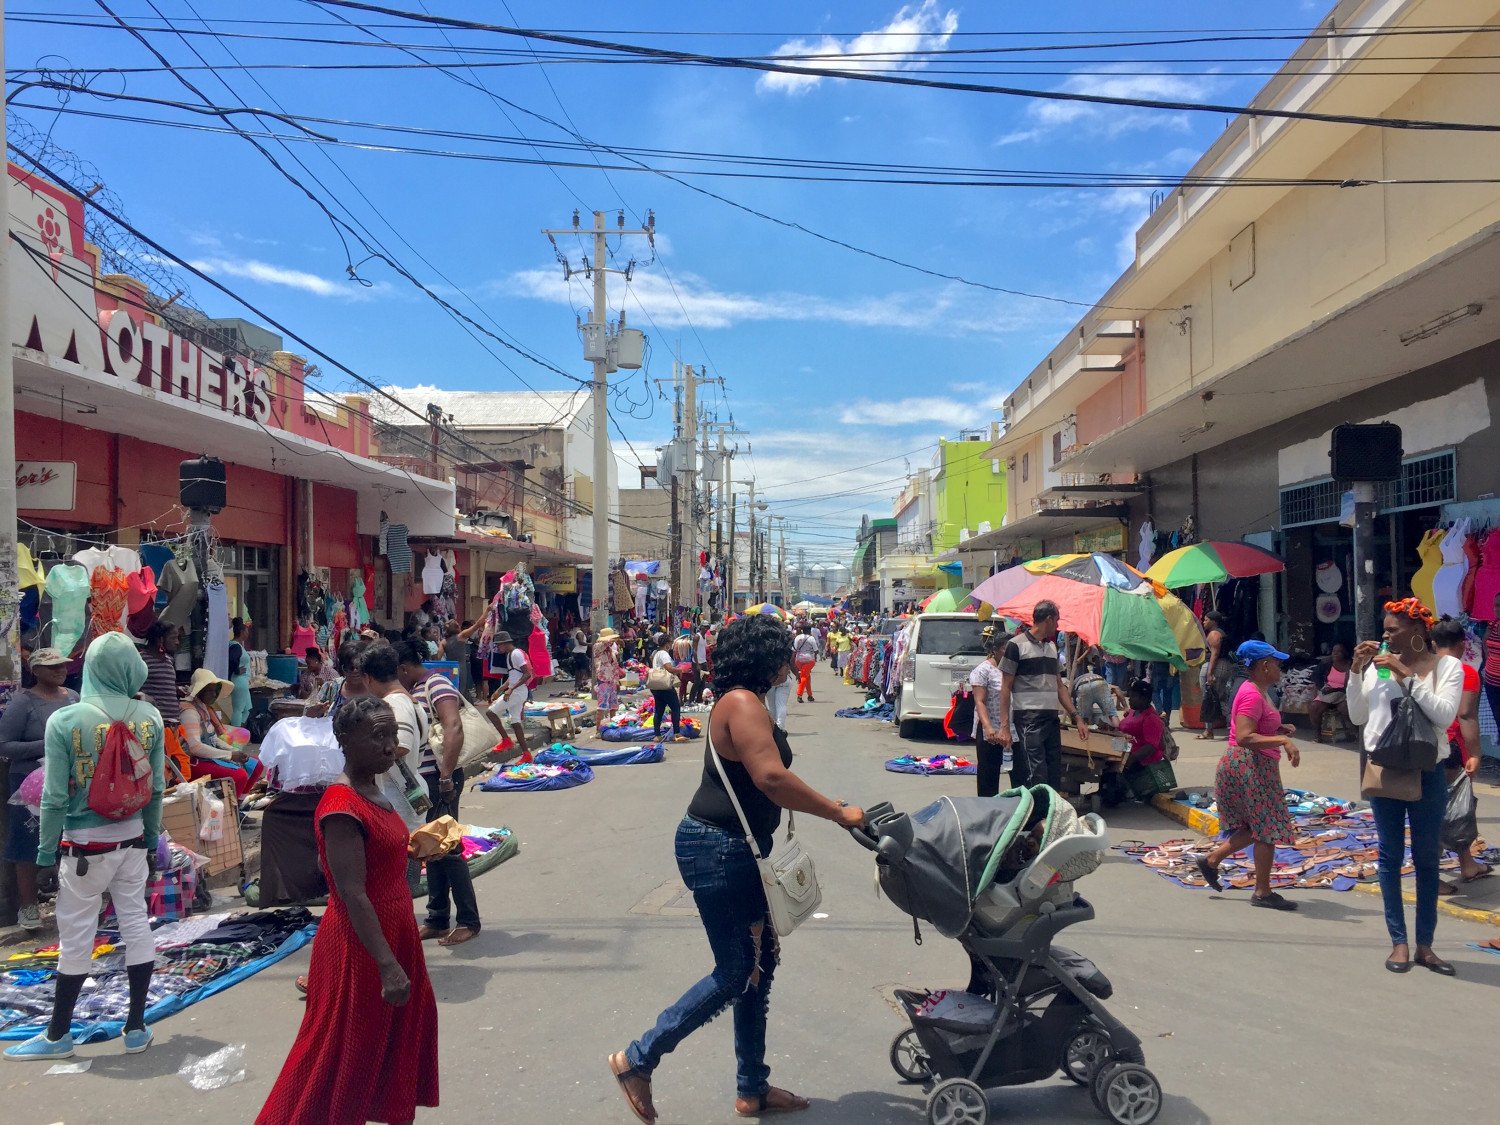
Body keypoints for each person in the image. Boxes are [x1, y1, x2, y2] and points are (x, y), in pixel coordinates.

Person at [609, 614, 865, 1122]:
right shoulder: (743, 703)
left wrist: (825, 800)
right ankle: (638, 1058)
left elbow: (766, 776)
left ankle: (752, 1088)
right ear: (764, 658)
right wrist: (835, 813)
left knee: (759, 965)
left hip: (731, 848)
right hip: (717, 848)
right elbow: (770, 777)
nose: (790, 664)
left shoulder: (743, 702)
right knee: (736, 971)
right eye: (783, 654)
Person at [255, 697, 439, 1124]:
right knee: (337, 1054)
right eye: (377, 736)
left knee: (384, 1045)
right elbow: (352, 892)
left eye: (392, 735)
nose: (389, 745)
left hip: (392, 932)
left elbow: (374, 859)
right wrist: (388, 965)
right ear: (344, 740)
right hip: (361, 946)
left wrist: (414, 849)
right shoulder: (342, 805)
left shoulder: (375, 790)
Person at [5, 633, 165, 1060]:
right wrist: (151, 839)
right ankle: (136, 1028)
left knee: (77, 935)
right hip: (132, 840)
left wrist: (43, 854)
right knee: (135, 924)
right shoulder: (150, 716)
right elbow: (157, 787)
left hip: (83, 847)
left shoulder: (66, 720)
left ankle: (58, 1035)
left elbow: (55, 796)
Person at [1348, 599, 1465, 975]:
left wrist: (1405, 674)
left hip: (1428, 771)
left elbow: (1445, 715)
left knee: (1428, 859)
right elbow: (1358, 716)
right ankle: (1398, 942)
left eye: (1393, 629)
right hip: (1384, 770)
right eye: (1384, 630)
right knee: (1390, 857)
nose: (1384, 635)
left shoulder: (1448, 667)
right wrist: (1355, 671)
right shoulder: (1376, 668)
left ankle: (1425, 946)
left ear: (1417, 631)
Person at [1195, 641, 1302, 910]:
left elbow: (1257, 725)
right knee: (1266, 829)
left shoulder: (1257, 691)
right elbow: (1244, 736)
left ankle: (1211, 860)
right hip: (1250, 765)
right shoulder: (1252, 694)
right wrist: (1282, 741)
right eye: (1276, 662)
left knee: (1255, 827)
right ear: (1264, 665)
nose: (1280, 666)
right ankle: (1262, 892)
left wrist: (1280, 728)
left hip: (1249, 764)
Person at [395, 641, 482, 947]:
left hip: (440, 778)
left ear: (404, 668)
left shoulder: (435, 683)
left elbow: (453, 726)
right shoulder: (416, 689)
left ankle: (469, 920)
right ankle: (437, 918)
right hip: (428, 779)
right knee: (430, 848)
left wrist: (445, 775)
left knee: (447, 848)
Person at [0, 647, 79, 930]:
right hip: (30, 785)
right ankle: (28, 907)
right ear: (36, 671)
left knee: (70, 839)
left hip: (69, 780)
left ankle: (70, 901)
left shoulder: (73, 698)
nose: (60, 669)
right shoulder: (23, 703)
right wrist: (48, 745)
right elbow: (4, 745)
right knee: (28, 843)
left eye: (63, 665)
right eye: (53, 666)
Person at [997, 601, 1087, 790]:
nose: (1058, 626)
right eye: (1056, 621)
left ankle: (1049, 813)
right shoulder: (1016, 645)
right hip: (1029, 719)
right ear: (1048, 619)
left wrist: (1076, 717)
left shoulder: (1052, 647)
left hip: (1051, 718)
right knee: (1036, 771)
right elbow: (1005, 688)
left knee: (1054, 770)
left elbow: (1059, 686)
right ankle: (1036, 816)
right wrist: (1004, 726)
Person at [1430, 617, 1490, 892]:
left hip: (1428, 745)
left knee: (1445, 808)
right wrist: (1476, 753)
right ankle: (1433, 875)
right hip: (1452, 745)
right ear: (1463, 644)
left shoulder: (1423, 668)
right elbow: (1466, 714)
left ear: (1433, 643)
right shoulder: (1466, 672)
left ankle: (1466, 863)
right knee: (1449, 808)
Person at [180, 669, 266, 800]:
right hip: (192, 762)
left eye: (216, 690)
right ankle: (231, 812)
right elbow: (195, 747)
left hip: (207, 756)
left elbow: (212, 738)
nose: (214, 694)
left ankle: (239, 805)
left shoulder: (203, 708)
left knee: (256, 764)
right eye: (210, 691)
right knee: (239, 775)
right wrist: (230, 755)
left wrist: (233, 750)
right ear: (199, 691)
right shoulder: (190, 712)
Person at [969, 627, 1012, 798]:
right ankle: (988, 812)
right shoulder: (983, 670)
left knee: (1017, 774)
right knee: (988, 776)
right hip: (990, 731)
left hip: (1011, 730)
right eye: (1004, 649)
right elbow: (980, 701)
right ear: (995, 650)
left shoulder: (1013, 670)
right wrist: (988, 728)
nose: (1008, 653)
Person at [1116, 679, 1173, 801]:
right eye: (1130, 696)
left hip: (1141, 760)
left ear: (1145, 699)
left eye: (1134, 697)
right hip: (1124, 750)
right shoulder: (1133, 712)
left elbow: (1151, 747)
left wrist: (1130, 759)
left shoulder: (1151, 718)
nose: (1130, 699)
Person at [484, 631, 532, 757]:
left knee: (490, 712)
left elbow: (527, 674)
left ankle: (506, 740)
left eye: (498, 645)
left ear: (505, 643)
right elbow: (513, 677)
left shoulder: (515, 654)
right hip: (517, 692)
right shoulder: (511, 654)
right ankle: (526, 754)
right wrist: (500, 690)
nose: (498, 648)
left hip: (517, 692)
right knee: (515, 722)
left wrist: (510, 689)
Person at [1308, 643, 1354, 743]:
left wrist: (1335, 690)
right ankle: (1317, 735)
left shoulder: (1350, 665)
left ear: (1345, 653)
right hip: (1327, 694)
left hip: (1343, 694)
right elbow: (1316, 678)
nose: (1335, 654)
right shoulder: (1326, 663)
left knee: (1345, 708)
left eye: (1339, 652)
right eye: (1334, 651)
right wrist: (1323, 688)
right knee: (1314, 707)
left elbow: (1351, 685)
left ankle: (1353, 733)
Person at [138, 621, 182, 725]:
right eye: (173, 638)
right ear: (160, 639)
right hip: (154, 722)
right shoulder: (141, 659)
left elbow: (165, 685)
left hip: (173, 723)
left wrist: (177, 689)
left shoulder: (169, 660)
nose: (177, 642)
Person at [1197, 612, 1229, 740]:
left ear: (1214, 621)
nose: (1203, 622)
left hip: (1215, 666)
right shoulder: (1219, 633)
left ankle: (1233, 726)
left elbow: (1214, 654)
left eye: (1206, 620)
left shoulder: (1214, 634)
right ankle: (1209, 729)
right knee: (1216, 697)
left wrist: (1210, 673)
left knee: (1212, 697)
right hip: (1221, 666)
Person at [649, 635, 687, 743]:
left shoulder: (656, 654)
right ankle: (677, 733)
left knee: (659, 710)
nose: (671, 645)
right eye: (670, 643)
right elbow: (668, 668)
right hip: (665, 685)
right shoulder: (664, 654)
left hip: (656, 686)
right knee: (675, 707)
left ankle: (657, 735)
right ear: (666, 644)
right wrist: (680, 670)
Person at [1072, 652, 1123, 727]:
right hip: (1100, 683)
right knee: (1112, 714)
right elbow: (1116, 688)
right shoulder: (1097, 677)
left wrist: (1075, 715)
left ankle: (1085, 732)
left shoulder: (1074, 683)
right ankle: (1119, 731)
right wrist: (1125, 707)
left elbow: (1073, 704)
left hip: (1083, 685)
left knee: (1084, 718)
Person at [227, 617, 253, 727]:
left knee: (247, 708)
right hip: (239, 681)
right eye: (246, 631)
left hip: (243, 681)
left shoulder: (238, 646)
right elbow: (232, 660)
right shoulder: (235, 646)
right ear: (242, 632)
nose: (248, 633)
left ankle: (240, 733)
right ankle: (235, 736)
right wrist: (237, 670)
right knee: (238, 709)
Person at [593, 627, 622, 715]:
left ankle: (612, 723)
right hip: (603, 679)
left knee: (613, 704)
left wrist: (617, 681)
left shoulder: (610, 649)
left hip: (611, 679)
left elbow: (615, 662)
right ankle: (599, 726)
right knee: (602, 705)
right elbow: (606, 644)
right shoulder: (598, 646)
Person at [791, 624, 819, 704]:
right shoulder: (811, 638)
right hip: (809, 659)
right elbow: (816, 650)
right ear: (810, 630)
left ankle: (810, 695)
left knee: (807, 676)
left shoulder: (797, 637)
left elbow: (794, 649)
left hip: (798, 660)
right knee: (804, 676)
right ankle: (799, 695)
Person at [1148, 659, 1180, 726]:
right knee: (1167, 694)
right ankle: (1166, 721)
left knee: (1154, 691)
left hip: (1157, 662)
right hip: (1170, 664)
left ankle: (1160, 711)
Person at [569, 624, 592, 692]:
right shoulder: (580, 633)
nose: (587, 628)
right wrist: (590, 644)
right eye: (585, 627)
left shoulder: (580, 633)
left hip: (578, 652)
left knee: (578, 669)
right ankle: (579, 682)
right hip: (580, 652)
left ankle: (577, 683)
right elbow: (581, 642)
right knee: (583, 668)